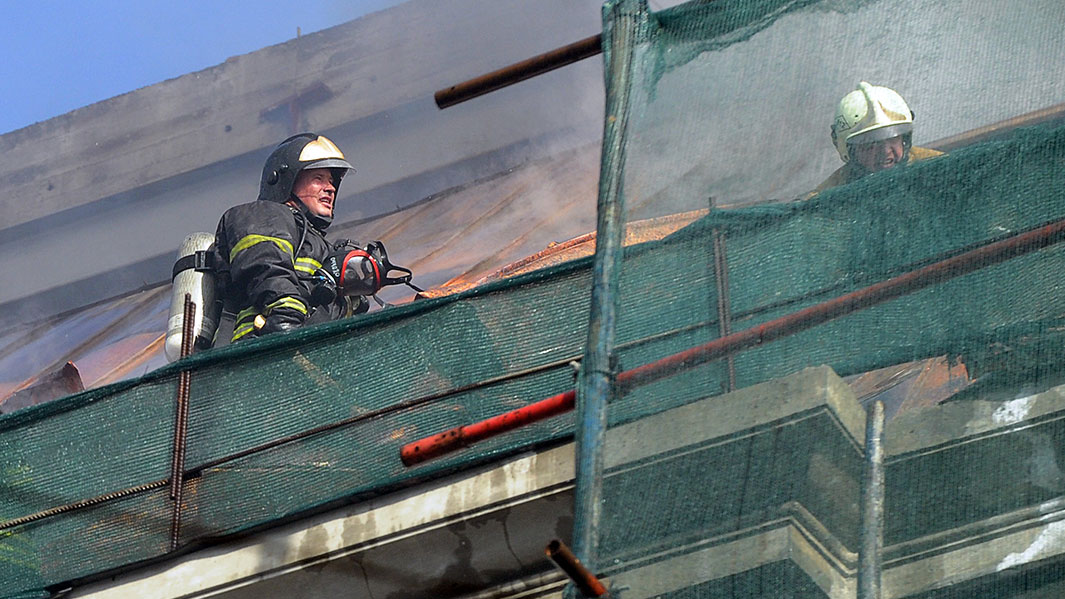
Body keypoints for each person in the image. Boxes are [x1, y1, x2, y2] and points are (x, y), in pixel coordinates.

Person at [213, 132, 362, 343]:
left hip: (309, 350)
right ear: (285, 181)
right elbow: (267, 266)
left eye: (331, 181)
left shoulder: (317, 244)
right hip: (255, 350)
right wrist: (286, 315)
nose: (330, 188)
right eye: (318, 179)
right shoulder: (264, 214)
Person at [811, 81, 942, 194]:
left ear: (905, 140)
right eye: (870, 143)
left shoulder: (939, 170)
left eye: (893, 138)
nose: (885, 151)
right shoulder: (825, 200)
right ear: (849, 150)